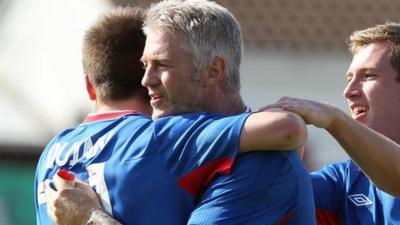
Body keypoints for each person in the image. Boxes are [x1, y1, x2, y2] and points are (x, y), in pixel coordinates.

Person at [36, 4, 312, 225]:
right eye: (144, 65)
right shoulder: (162, 142)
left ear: (214, 70)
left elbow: (287, 129)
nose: (146, 80)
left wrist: (90, 218)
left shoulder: (261, 162)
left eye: (161, 64)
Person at [265, 22, 400, 224]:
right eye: (349, 78)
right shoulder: (345, 179)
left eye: (368, 76)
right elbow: (267, 201)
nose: (348, 91)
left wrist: (336, 120)